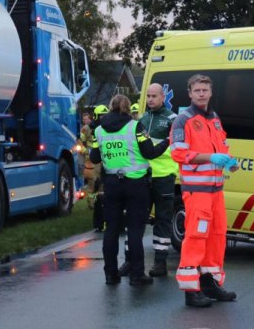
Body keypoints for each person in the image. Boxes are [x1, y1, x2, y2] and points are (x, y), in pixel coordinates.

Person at [170, 74, 238, 307]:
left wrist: (229, 160)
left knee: (217, 237)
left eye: (205, 90)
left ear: (210, 93)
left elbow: (222, 146)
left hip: (216, 190)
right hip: (197, 191)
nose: (201, 94)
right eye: (197, 90)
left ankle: (209, 284)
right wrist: (212, 157)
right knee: (196, 238)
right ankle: (191, 291)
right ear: (189, 93)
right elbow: (179, 153)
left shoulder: (214, 118)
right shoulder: (183, 120)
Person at [90, 94, 169, 286]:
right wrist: (167, 141)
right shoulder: (135, 126)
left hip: (112, 185)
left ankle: (110, 275)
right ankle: (136, 275)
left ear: (110, 107)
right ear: (127, 108)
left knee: (111, 230)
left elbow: (93, 158)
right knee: (134, 230)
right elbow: (150, 152)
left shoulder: (99, 130)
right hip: (136, 184)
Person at [138, 83, 178, 277]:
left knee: (162, 220)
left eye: (154, 96)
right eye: (148, 96)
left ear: (163, 97)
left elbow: (179, 147)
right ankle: (132, 262)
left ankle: (160, 263)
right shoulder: (143, 118)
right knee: (137, 218)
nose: (151, 99)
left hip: (164, 177)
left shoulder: (173, 119)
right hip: (144, 176)